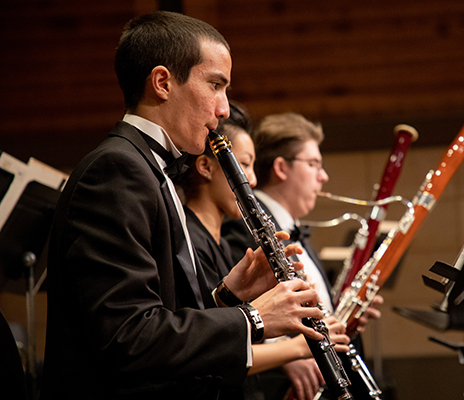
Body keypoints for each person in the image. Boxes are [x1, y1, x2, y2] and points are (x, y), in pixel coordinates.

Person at [40, 11, 324, 400]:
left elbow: (162, 318)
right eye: (215, 85)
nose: (224, 109)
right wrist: (255, 318)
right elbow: (128, 337)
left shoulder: (151, 169)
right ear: (162, 83)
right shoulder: (116, 170)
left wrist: (228, 295)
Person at [176, 102, 351, 400]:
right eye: (243, 165)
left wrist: (231, 296)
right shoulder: (192, 240)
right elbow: (198, 344)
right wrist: (294, 349)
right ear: (205, 167)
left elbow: (213, 323)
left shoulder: (215, 241)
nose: (252, 181)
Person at [222, 112, 383, 400]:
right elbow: (239, 316)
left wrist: (347, 318)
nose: (324, 176)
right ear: (282, 168)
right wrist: (289, 357)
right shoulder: (244, 228)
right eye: (313, 164)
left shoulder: (296, 233)